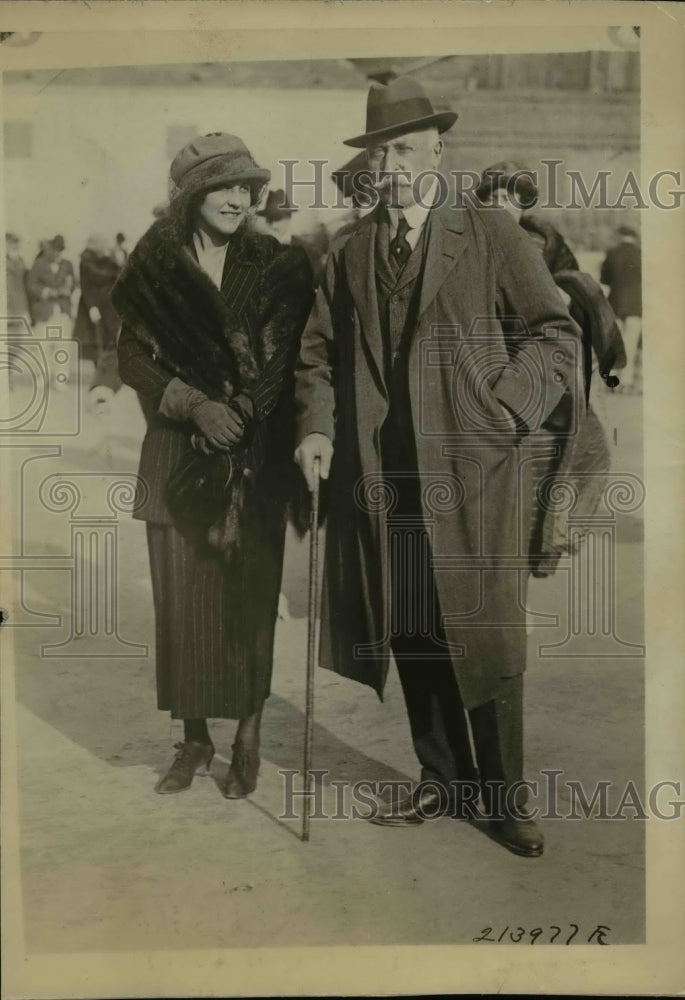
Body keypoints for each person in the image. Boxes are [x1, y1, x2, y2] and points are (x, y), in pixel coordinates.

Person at [294, 77, 582, 857]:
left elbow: (555, 335)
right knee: (413, 626)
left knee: (484, 638)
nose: (402, 164)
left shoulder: (486, 231)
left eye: (415, 148)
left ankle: (505, 798)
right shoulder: (349, 250)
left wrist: (506, 410)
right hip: (385, 479)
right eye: (391, 150)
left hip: (476, 470)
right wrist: (315, 430)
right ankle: (442, 778)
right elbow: (314, 357)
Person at [113, 133, 313, 798]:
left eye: (245, 187)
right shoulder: (153, 262)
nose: (236, 199)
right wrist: (193, 404)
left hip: (253, 458)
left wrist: (245, 410)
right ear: (191, 194)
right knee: (181, 602)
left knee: (249, 601)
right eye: (222, 187)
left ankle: (248, 738)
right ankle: (195, 739)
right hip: (176, 453)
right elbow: (131, 357)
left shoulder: (278, 264)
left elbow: (287, 360)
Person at [600, 225, 642, 392]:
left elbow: (604, 279)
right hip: (636, 306)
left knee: (615, 344)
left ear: (620, 236)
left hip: (615, 304)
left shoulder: (611, 253)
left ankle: (613, 381)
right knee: (631, 344)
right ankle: (626, 382)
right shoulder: (640, 254)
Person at [26, 234, 76, 336]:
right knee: (44, 348)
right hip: (44, 313)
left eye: (60, 250)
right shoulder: (38, 264)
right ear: (49, 249)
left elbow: (73, 284)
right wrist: (47, 291)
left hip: (63, 312)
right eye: (55, 249)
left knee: (63, 347)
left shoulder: (67, 264)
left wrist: (69, 287)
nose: (57, 253)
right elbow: (30, 285)